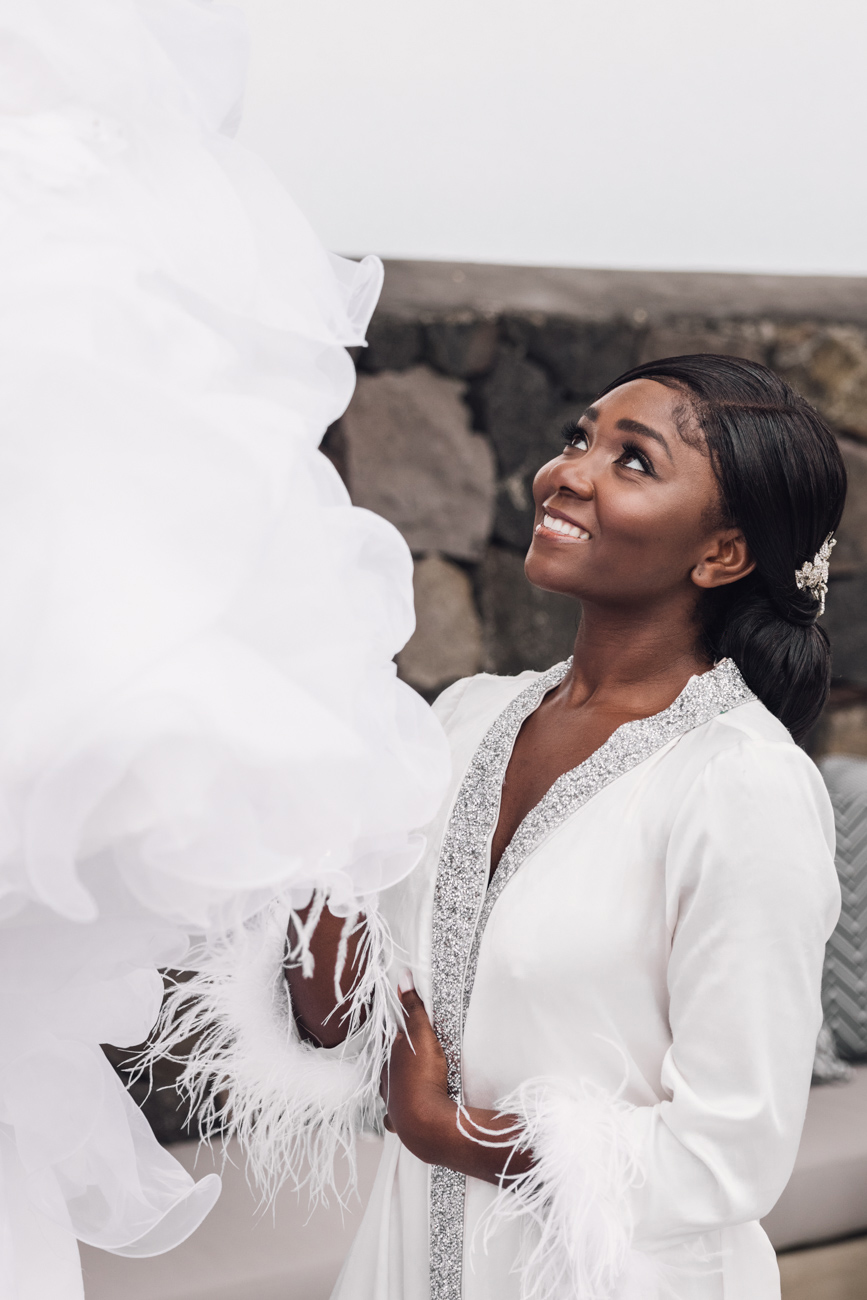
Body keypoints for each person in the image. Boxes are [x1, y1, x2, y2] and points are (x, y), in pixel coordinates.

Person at [279, 355, 846, 1300]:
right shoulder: (463, 718)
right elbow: (340, 1017)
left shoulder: (738, 785)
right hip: (405, 1263)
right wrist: (312, 801)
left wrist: (452, 1134)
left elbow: (730, 1153)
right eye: (579, 437)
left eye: (633, 461)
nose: (568, 471)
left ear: (722, 554)